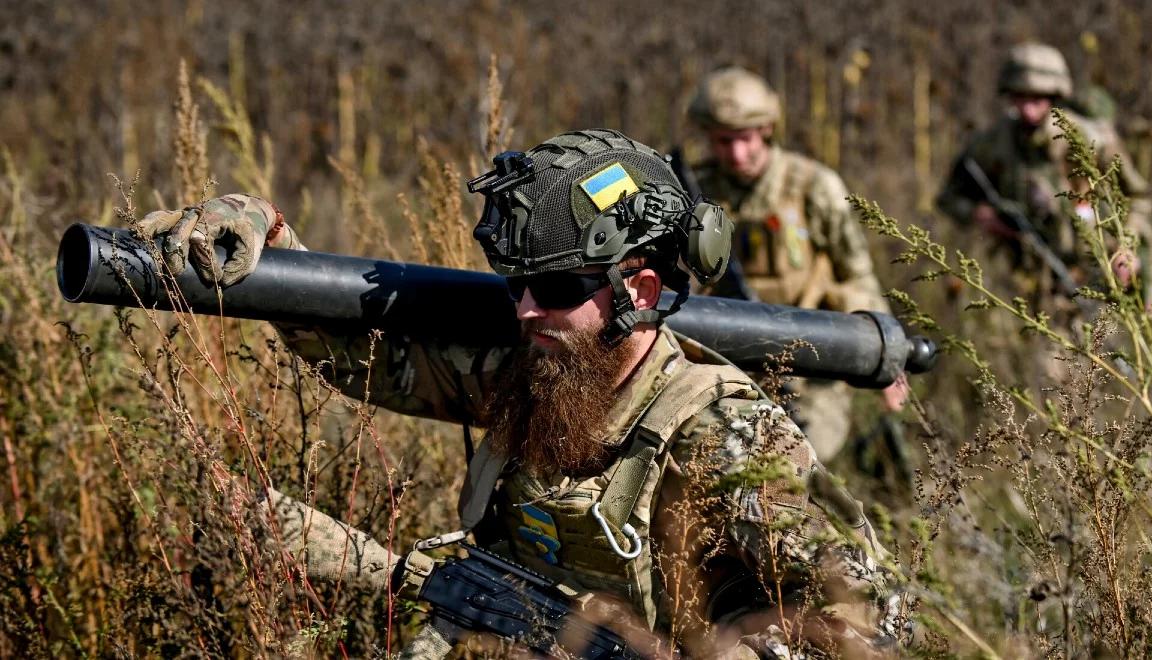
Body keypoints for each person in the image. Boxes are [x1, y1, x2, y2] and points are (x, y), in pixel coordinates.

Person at [136, 129, 898, 657]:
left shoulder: (727, 434)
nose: (527, 308)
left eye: (557, 287)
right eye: (518, 284)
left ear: (639, 287)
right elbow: (360, 360)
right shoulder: (529, 374)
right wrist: (264, 238)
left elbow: (866, 616)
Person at [685, 66, 907, 463]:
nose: (736, 154)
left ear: (767, 129)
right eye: (723, 141)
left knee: (798, 464)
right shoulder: (696, 191)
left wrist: (886, 358)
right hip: (723, 364)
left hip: (811, 366)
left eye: (745, 139)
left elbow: (856, 274)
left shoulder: (813, 187)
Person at [937, 42, 1152, 310]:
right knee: (1055, 350)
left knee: (1122, 347)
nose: (1028, 110)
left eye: (1037, 99)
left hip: (1107, 272)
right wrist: (979, 213)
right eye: (1020, 97)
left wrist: (1127, 247)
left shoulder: (1092, 140)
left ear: (1055, 95)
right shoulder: (993, 144)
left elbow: (1138, 197)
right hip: (1038, 281)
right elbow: (948, 198)